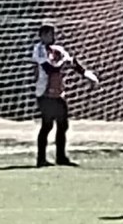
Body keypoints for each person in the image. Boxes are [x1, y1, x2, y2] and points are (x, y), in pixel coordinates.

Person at [32, 24, 97, 168]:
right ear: (41, 36)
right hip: (44, 93)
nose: (51, 36)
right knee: (47, 125)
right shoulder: (39, 49)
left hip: (57, 93)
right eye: (48, 34)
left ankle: (61, 157)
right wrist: (63, 63)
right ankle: (41, 158)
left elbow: (72, 62)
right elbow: (49, 68)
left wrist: (86, 74)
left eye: (52, 33)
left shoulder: (58, 50)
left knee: (63, 124)